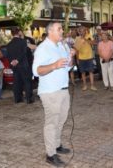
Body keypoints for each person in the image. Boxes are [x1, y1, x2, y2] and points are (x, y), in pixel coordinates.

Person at [32, 22, 75, 167]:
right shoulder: (42, 48)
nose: (62, 31)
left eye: (61, 29)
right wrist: (53, 65)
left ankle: (56, 145)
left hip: (63, 89)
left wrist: (71, 56)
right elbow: (36, 71)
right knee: (51, 123)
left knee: (61, 120)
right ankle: (50, 155)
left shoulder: (62, 46)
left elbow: (69, 66)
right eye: (59, 29)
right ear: (50, 32)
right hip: (50, 92)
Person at [7, 27, 34, 104]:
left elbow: (8, 55)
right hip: (23, 65)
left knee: (16, 82)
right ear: (18, 32)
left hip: (14, 66)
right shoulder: (23, 42)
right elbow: (23, 53)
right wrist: (17, 60)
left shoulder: (9, 44)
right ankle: (29, 99)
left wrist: (12, 61)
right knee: (27, 82)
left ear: (12, 34)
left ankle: (17, 99)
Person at [74, 26, 97, 91]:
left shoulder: (89, 35)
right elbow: (76, 49)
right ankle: (85, 85)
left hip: (89, 57)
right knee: (83, 72)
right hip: (81, 58)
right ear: (79, 32)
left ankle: (92, 85)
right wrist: (77, 59)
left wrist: (85, 39)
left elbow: (94, 43)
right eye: (80, 31)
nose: (82, 32)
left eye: (83, 31)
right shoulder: (77, 39)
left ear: (85, 31)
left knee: (91, 71)